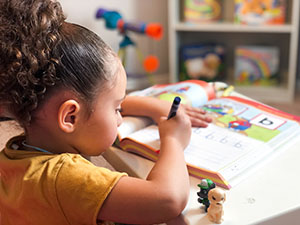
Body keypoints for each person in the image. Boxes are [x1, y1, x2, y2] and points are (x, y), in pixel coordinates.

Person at [0, 0, 212, 224]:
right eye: (116, 108)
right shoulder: (62, 177)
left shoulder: (16, 153)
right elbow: (167, 200)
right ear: (70, 117)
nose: (120, 119)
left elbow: (93, 108)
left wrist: (154, 105)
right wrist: (174, 140)